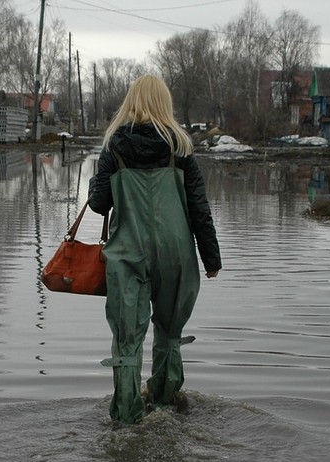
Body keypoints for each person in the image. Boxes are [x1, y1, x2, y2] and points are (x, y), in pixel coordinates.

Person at [88, 75, 221, 424]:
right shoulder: (181, 148)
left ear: (130, 102)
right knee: (169, 331)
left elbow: (99, 204)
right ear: (165, 104)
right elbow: (199, 208)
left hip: (128, 252)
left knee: (128, 338)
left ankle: (127, 416)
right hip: (175, 252)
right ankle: (164, 404)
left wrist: (96, 178)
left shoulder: (114, 147)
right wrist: (211, 258)